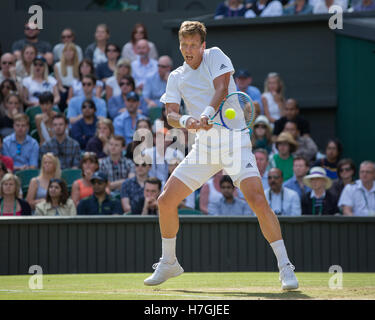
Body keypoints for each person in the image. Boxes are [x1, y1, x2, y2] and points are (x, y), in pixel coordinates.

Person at [144, 21, 298, 290]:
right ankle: (169, 263)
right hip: (204, 148)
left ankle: (285, 267)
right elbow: (169, 115)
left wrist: (205, 113)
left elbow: (221, 88)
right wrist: (187, 121)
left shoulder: (215, 55)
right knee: (166, 201)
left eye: (193, 45)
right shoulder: (176, 76)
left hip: (234, 142)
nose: (189, 50)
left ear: (202, 45)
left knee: (257, 199)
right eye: (184, 45)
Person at [53, 43, 80, 111]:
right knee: (63, 94)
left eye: (71, 51)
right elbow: (59, 84)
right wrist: (64, 90)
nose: (68, 53)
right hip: (64, 88)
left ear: (74, 53)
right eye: (66, 51)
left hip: (76, 88)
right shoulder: (57, 66)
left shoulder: (79, 65)